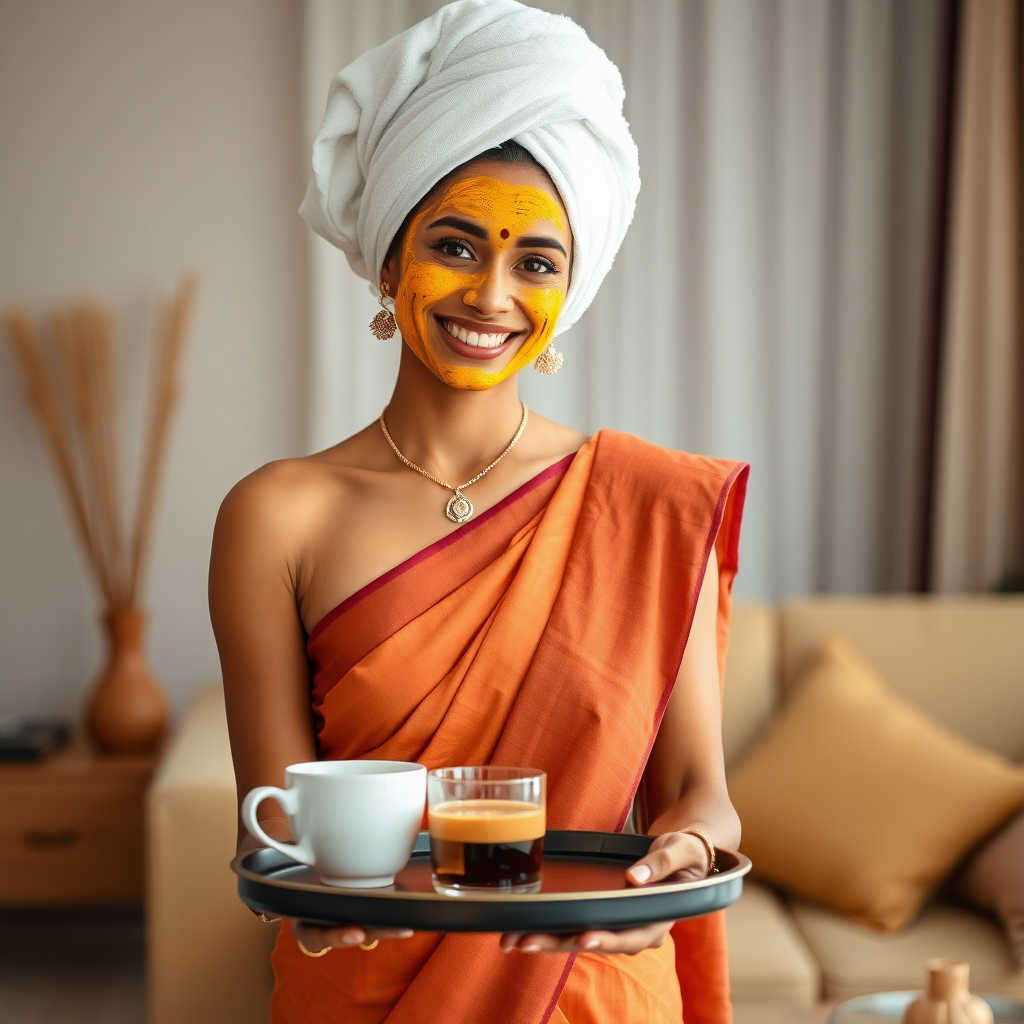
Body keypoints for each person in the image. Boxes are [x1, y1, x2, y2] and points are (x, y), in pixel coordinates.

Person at [209, 2, 748, 1022]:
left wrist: (681, 858)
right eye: (455, 246)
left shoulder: (646, 504)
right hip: (363, 985)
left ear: (565, 291)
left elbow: (700, 795)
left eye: (534, 262)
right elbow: (271, 823)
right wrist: (294, 888)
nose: (490, 294)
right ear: (386, 261)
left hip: (590, 984)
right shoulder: (275, 516)